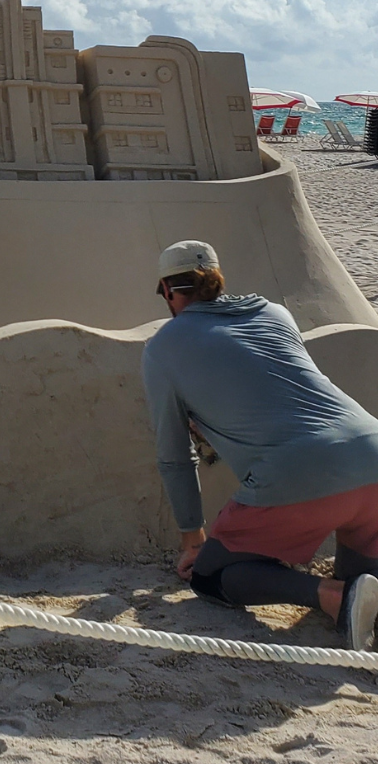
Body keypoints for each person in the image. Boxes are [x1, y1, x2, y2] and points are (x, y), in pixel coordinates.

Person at [143, 240, 378, 650]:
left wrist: (194, 541)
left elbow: (175, 457)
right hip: (371, 451)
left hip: (297, 470)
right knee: (363, 583)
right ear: (217, 280)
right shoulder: (275, 312)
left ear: (167, 290)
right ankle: (351, 594)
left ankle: (331, 598)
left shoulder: (163, 346)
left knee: (212, 575)